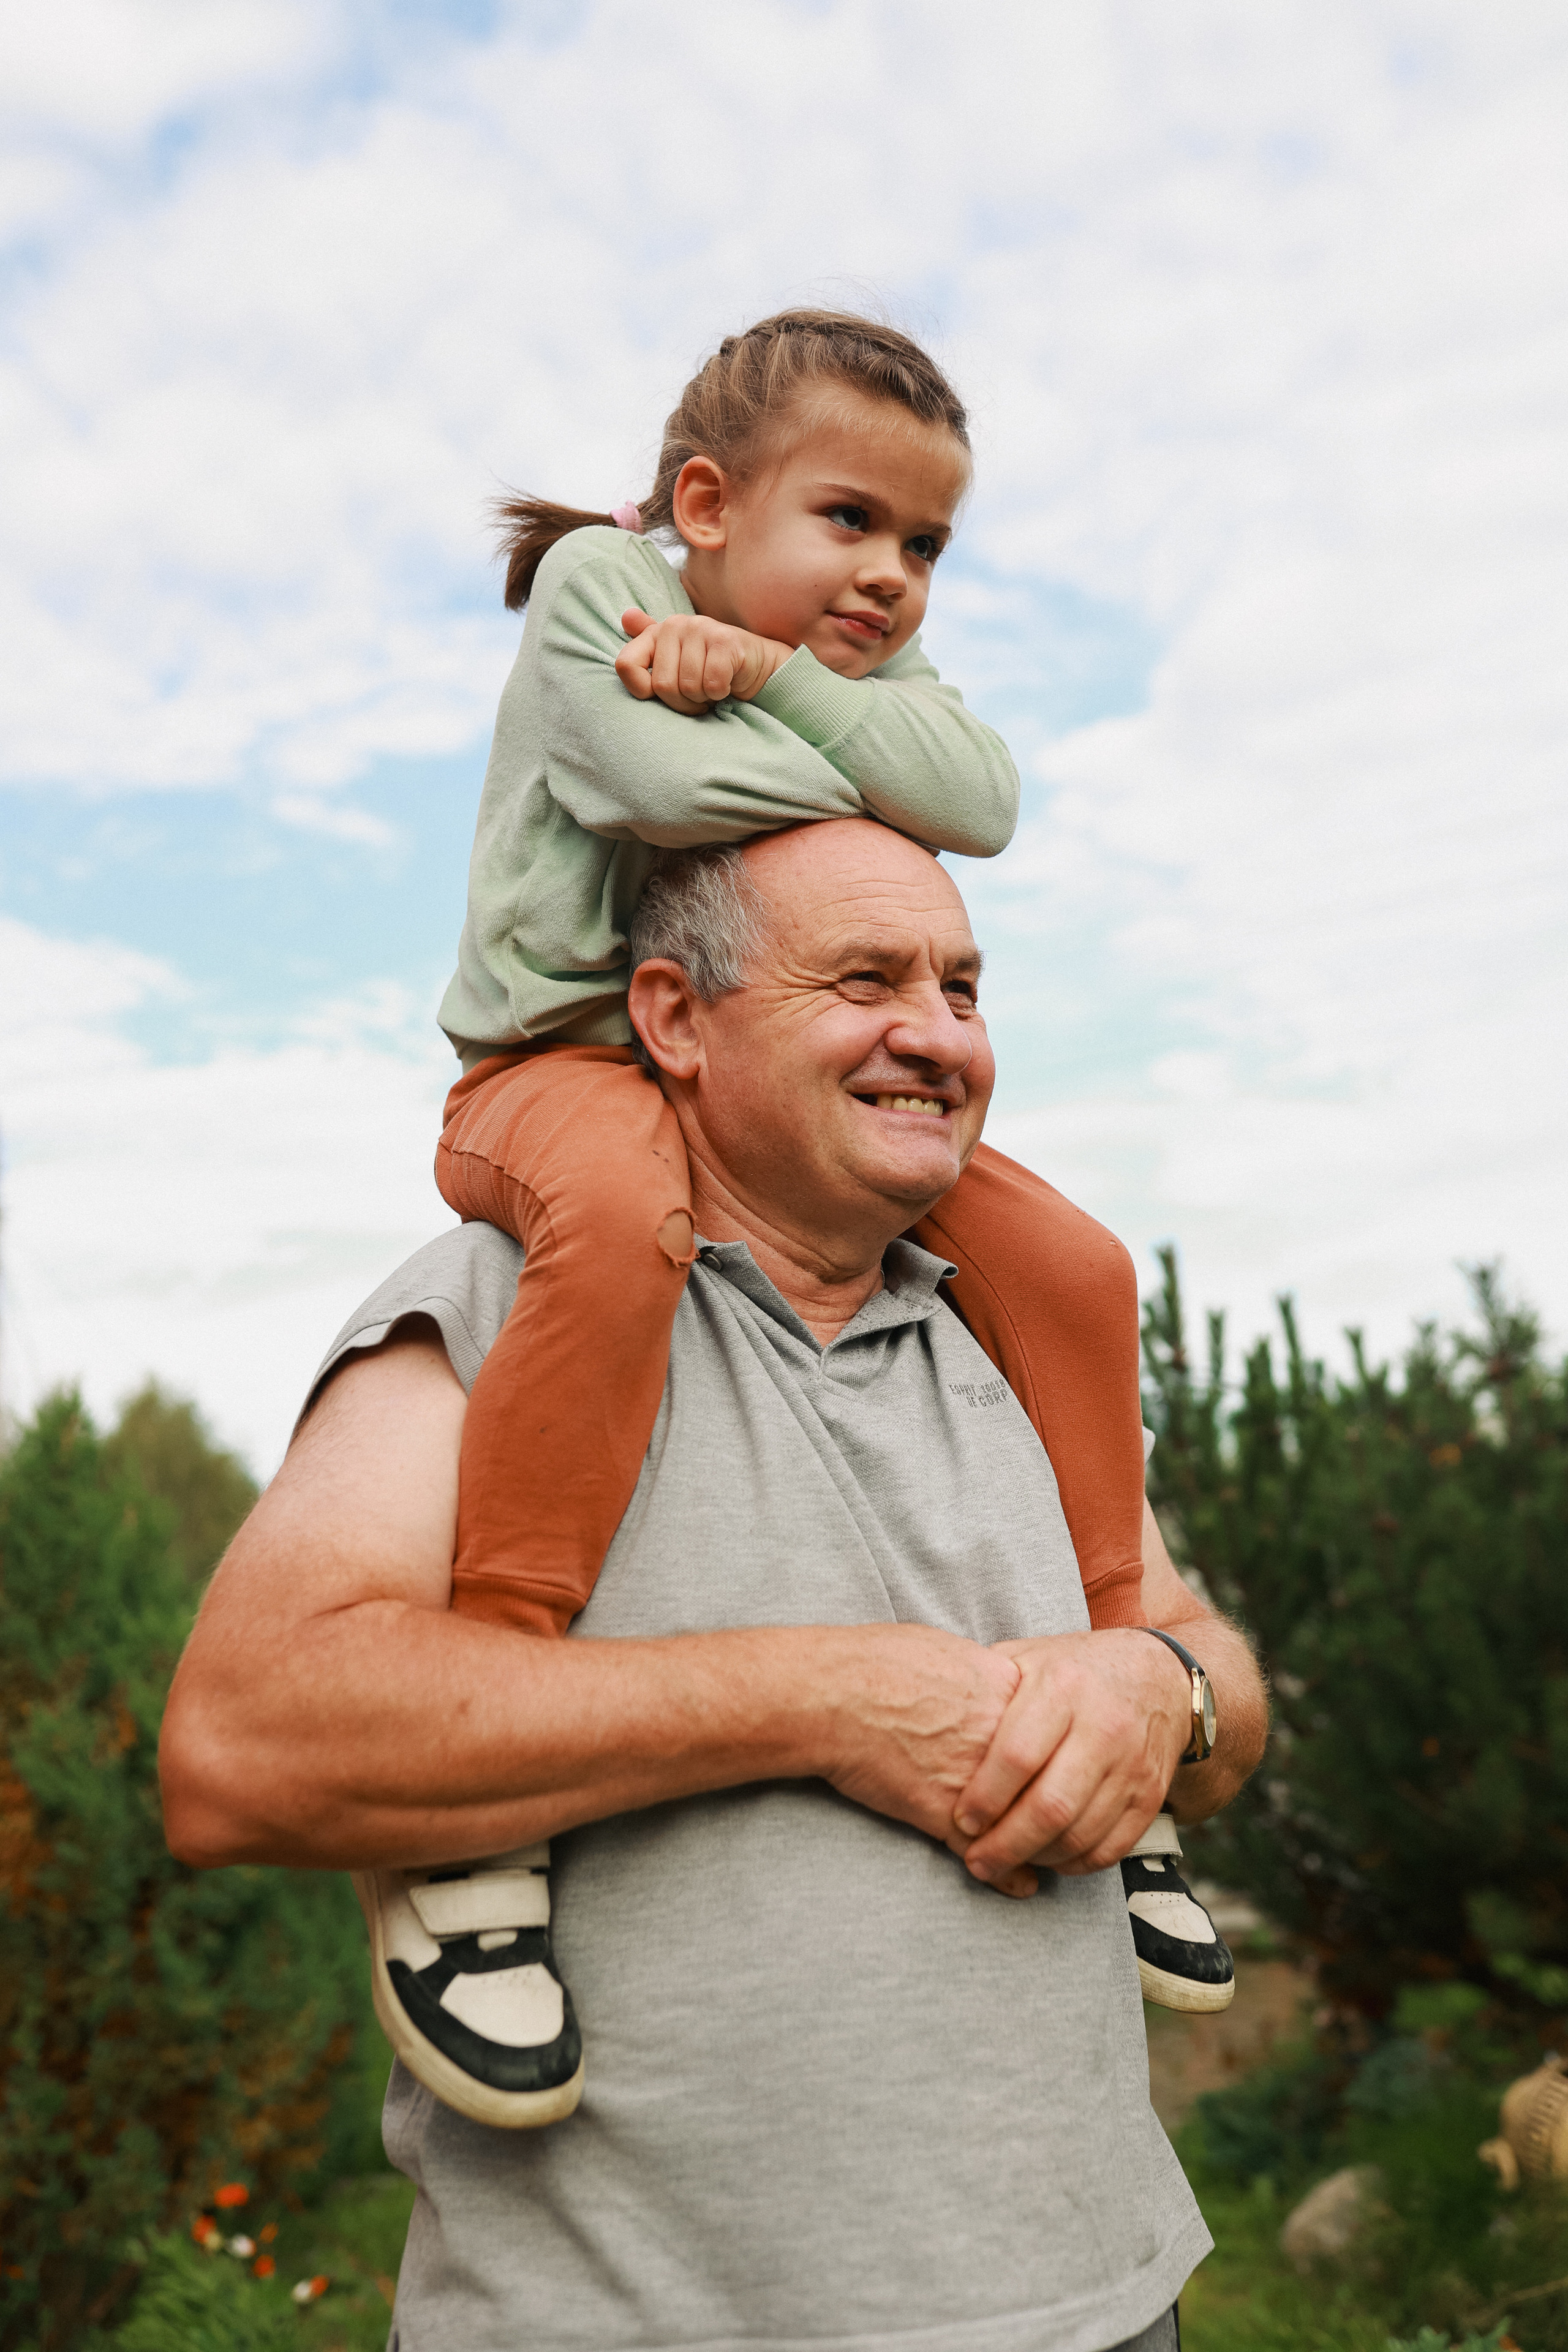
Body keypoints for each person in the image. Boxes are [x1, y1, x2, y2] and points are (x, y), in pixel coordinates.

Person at [160, 818, 1270, 2352]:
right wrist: (824, 1699)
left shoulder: (1018, 1339)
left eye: (962, 988)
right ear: (676, 1020)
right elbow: (243, 1748)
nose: (934, 1036)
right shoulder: (492, 1308)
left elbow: (1211, 1670)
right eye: (865, 980)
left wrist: (1167, 1691)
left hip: (1102, 2311)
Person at [412, 312, 1231, 2116]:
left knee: (1073, 1265)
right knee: (618, 1233)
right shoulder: (599, 589)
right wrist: (864, 755)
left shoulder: (822, 662)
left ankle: (1130, 1702)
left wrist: (773, 681)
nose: (891, 576)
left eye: (928, 545)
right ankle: (478, 1807)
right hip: (561, 1072)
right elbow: (655, 791)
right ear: (706, 501)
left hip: (749, 1088)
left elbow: (985, 806)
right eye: (849, 521)